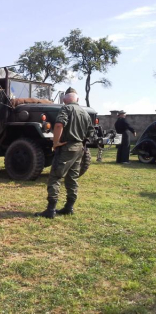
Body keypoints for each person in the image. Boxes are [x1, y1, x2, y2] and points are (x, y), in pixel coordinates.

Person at [35, 87, 94, 219]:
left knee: (55, 176)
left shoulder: (66, 109)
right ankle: (69, 207)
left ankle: (51, 210)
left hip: (67, 148)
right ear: (77, 99)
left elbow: (58, 125)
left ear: (64, 99)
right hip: (79, 149)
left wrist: (55, 142)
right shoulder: (84, 112)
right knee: (72, 178)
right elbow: (91, 132)